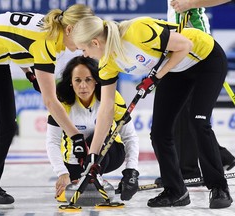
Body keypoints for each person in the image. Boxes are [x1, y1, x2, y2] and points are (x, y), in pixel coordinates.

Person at [71, 15, 233, 208]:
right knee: (159, 133)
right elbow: (106, 109)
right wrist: (93, 156)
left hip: (205, 58)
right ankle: (176, 191)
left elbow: (185, 46)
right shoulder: (108, 64)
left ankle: (219, 187)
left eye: (84, 49)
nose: (85, 55)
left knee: (198, 122)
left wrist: (156, 77)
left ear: (95, 42)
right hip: (175, 70)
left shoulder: (136, 32)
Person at [0, 4, 94, 209]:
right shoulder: (47, 40)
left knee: (8, 123)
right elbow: (50, 101)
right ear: (69, 30)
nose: (85, 44)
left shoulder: (52, 31)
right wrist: (76, 137)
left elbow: (15, 42)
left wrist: (29, 73)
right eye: (85, 38)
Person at [159, 0, 235, 183]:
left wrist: (191, 3)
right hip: (181, 46)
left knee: (190, 114)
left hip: (198, 47)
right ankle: (220, 157)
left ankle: (188, 169)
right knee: (183, 111)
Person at [46, 56, 140, 201]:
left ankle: (95, 179)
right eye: (77, 80)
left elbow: (129, 136)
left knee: (95, 138)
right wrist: (62, 174)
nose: (83, 86)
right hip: (75, 162)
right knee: (82, 145)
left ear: (96, 80)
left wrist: (131, 172)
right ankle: (87, 179)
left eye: (88, 79)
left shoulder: (111, 97)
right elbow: (52, 141)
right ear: (70, 82)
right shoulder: (61, 102)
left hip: (111, 154)